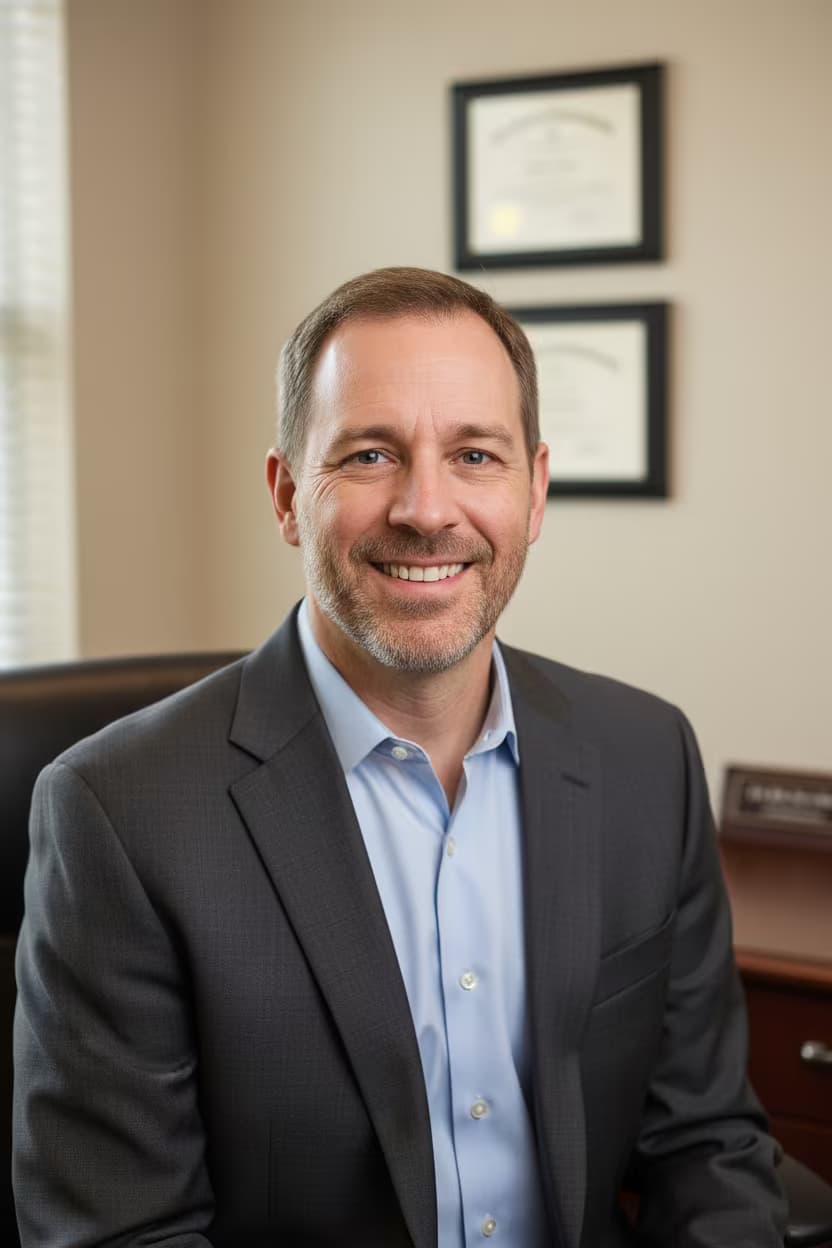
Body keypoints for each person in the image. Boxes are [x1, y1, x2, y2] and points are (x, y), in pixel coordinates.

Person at [14, 267, 786, 1247]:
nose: (427, 509)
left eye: (474, 454)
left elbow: (705, 1144)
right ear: (289, 494)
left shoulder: (645, 758)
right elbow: (125, 1233)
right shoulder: (119, 813)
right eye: (371, 454)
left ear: (535, 490)